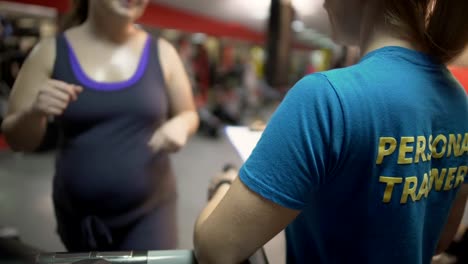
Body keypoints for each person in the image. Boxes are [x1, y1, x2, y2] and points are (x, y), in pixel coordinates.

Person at [193, 0, 468, 263]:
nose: (324, 4)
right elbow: (439, 239)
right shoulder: (460, 101)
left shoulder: (324, 97)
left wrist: (225, 183)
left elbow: (216, 250)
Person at [2, 0, 198, 251]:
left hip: (150, 212)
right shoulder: (49, 52)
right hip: (79, 216)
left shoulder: (163, 52)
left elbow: (189, 113)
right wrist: (34, 112)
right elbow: (18, 140)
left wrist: (181, 124)